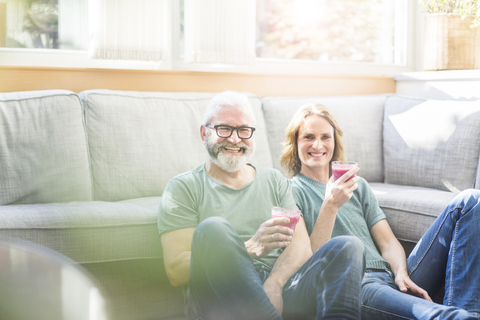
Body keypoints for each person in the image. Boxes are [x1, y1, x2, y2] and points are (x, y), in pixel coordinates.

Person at [158, 91, 366, 320]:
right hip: (220, 299)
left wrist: (274, 284)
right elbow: (175, 271)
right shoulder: (183, 187)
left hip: (278, 290)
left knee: (349, 246)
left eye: (243, 130)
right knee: (213, 229)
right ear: (204, 133)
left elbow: (301, 248)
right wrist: (248, 247)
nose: (235, 139)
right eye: (224, 129)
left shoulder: (274, 180)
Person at [280, 102, 480, 320]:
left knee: (470, 200)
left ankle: (469, 310)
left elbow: (387, 242)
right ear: (294, 143)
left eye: (325, 137)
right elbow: (310, 262)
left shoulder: (358, 185)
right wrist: (330, 205)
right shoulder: (290, 191)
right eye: (308, 137)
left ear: (334, 143)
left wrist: (401, 273)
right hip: (357, 284)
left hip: (393, 276)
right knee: (449, 317)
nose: (318, 145)